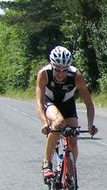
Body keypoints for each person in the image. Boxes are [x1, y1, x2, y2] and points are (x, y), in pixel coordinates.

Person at [36, 46, 98, 178]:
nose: (60, 73)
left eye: (64, 69)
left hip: (67, 103)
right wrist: (43, 123)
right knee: (58, 123)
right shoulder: (44, 74)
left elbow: (89, 104)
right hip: (49, 102)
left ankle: (69, 175)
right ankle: (46, 163)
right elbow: (39, 102)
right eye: (57, 69)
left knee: (73, 138)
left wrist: (90, 125)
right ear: (52, 65)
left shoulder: (76, 76)